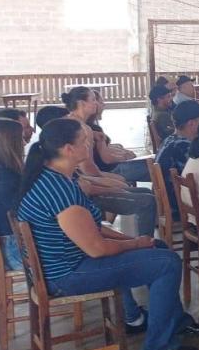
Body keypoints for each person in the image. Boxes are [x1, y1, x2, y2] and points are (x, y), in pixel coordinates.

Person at [19, 118, 199, 350]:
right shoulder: (59, 191)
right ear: (68, 149)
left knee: (158, 248)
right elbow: (97, 248)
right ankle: (158, 347)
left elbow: (92, 227)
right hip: (68, 275)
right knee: (167, 263)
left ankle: (176, 322)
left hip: (68, 264)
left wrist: (133, 240)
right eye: (84, 141)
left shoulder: (58, 177)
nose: (89, 145)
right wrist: (134, 245)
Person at [62, 87, 158, 238]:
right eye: (93, 100)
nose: (96, 103)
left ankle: (142, 239)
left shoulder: (69, 122)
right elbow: (87, 169)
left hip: (80, 181)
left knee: (145, 193)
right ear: (81, 104)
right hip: (81, 189)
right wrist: (110, 180)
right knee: (146, 200)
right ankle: (145, 242)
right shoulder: (81, 128)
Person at [156, 100, 199, 218]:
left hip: (170, 202)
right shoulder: (184, 147)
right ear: (191, 123)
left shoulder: (169, 140)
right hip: (180, 207)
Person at [87, 91, 149, 184]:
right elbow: (106, 159)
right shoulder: (92, 129)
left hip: (109, 167)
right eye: (101, 102)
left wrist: (121, 151)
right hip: (110, 170)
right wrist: (124, 157)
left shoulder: (91, 126)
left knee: (152, 164)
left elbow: (102, 150)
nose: (104, 105)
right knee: (154, 167)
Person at [0, 119, 24, 270]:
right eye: (20, 139)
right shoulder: (6, 178)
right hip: (13, 249)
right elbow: (24, 217)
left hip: (2, 245)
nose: (24, 143)